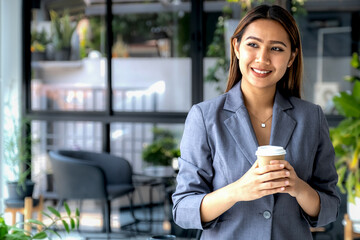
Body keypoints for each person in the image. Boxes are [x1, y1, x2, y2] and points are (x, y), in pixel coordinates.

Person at [172, 4, 340, 240]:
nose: (263, 58)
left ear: (291, 57)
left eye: (276, 48)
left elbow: (330, 207)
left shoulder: (311, 117)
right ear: (237, 47)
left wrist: (297, 187)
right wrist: (238, 191)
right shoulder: (205, 116)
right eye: (253, 44)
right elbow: (183, 210)